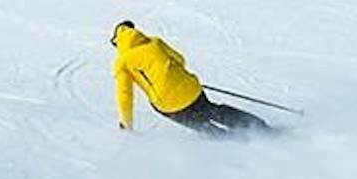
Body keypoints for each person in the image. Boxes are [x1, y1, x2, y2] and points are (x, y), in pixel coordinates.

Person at [112, 21, 265, 136]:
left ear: (117, 42)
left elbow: (125, 95)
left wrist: (127, 123)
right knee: (212, 110)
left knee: (200, 125)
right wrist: (176, 76)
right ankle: (259, 129)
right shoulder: (155, 42)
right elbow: (180, 59)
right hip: (191, 88)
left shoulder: (122, 62)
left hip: (167, 103)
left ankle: (232, 144)